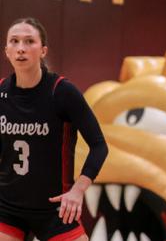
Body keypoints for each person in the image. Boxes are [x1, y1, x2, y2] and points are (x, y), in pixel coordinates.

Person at [0, 17, 108, 241]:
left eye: (29, 41)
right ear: (7, 51)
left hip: (56, 209)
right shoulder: (1, 91)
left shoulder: (62, 91)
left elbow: (99, 146)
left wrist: (78, 190)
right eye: (14, 41)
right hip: (8, 207)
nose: (21, 48)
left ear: (43, 50)